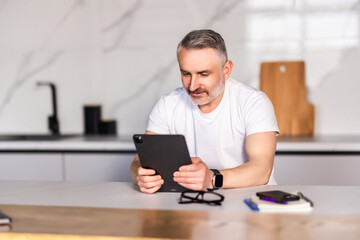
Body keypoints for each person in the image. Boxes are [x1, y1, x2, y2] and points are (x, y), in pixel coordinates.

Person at [130, 29, 279, 194]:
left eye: (203, 74)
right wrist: (139, 175)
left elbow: (262, 169)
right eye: (186, 74)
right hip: (192, 206)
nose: (193, 86)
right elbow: (139, 161)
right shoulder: (168, 105)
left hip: (252, 202)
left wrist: (211, 179)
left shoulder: (253, 102)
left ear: (226, 70)